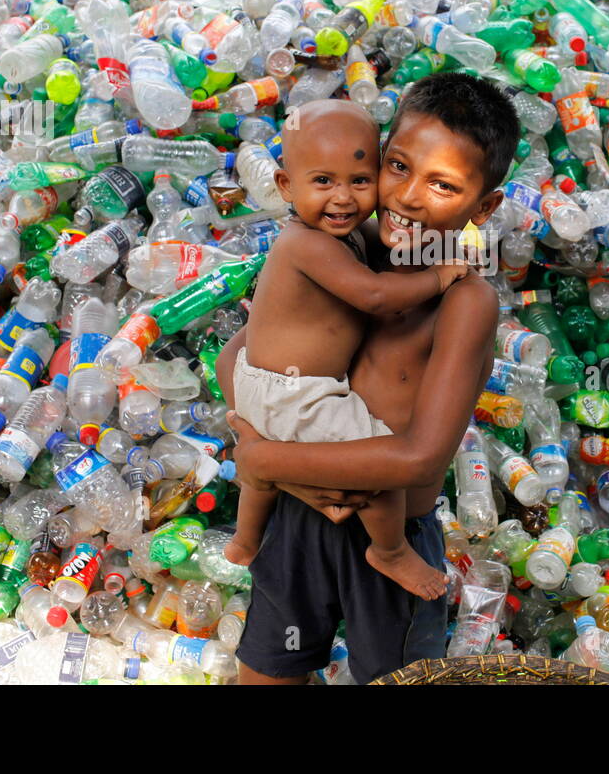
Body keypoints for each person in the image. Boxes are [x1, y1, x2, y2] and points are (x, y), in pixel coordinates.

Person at [216, 72, 520, 684]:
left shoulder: (466, 302)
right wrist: (279, 461)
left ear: (484, 208)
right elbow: (240, 354)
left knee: (395, 677)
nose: (408, 198)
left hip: (389, 543)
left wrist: (267, 457)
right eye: (398, 167)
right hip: (301, 518)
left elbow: (415, 459)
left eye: (443, 185)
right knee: (267, 671)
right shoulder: (343, 246)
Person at [225, 99, 467, 602]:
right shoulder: (307, 245)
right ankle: (391, 550)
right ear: (287, 188)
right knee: (375, 467)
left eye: (359, 181)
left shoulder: (342, 233)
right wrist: (439, 275)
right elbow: (376, 296)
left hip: (265, 383)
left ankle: (246, 542)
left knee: (261, 478)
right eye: (322, 183)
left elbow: (395, 239)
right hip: (296, 394)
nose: (342, 199)